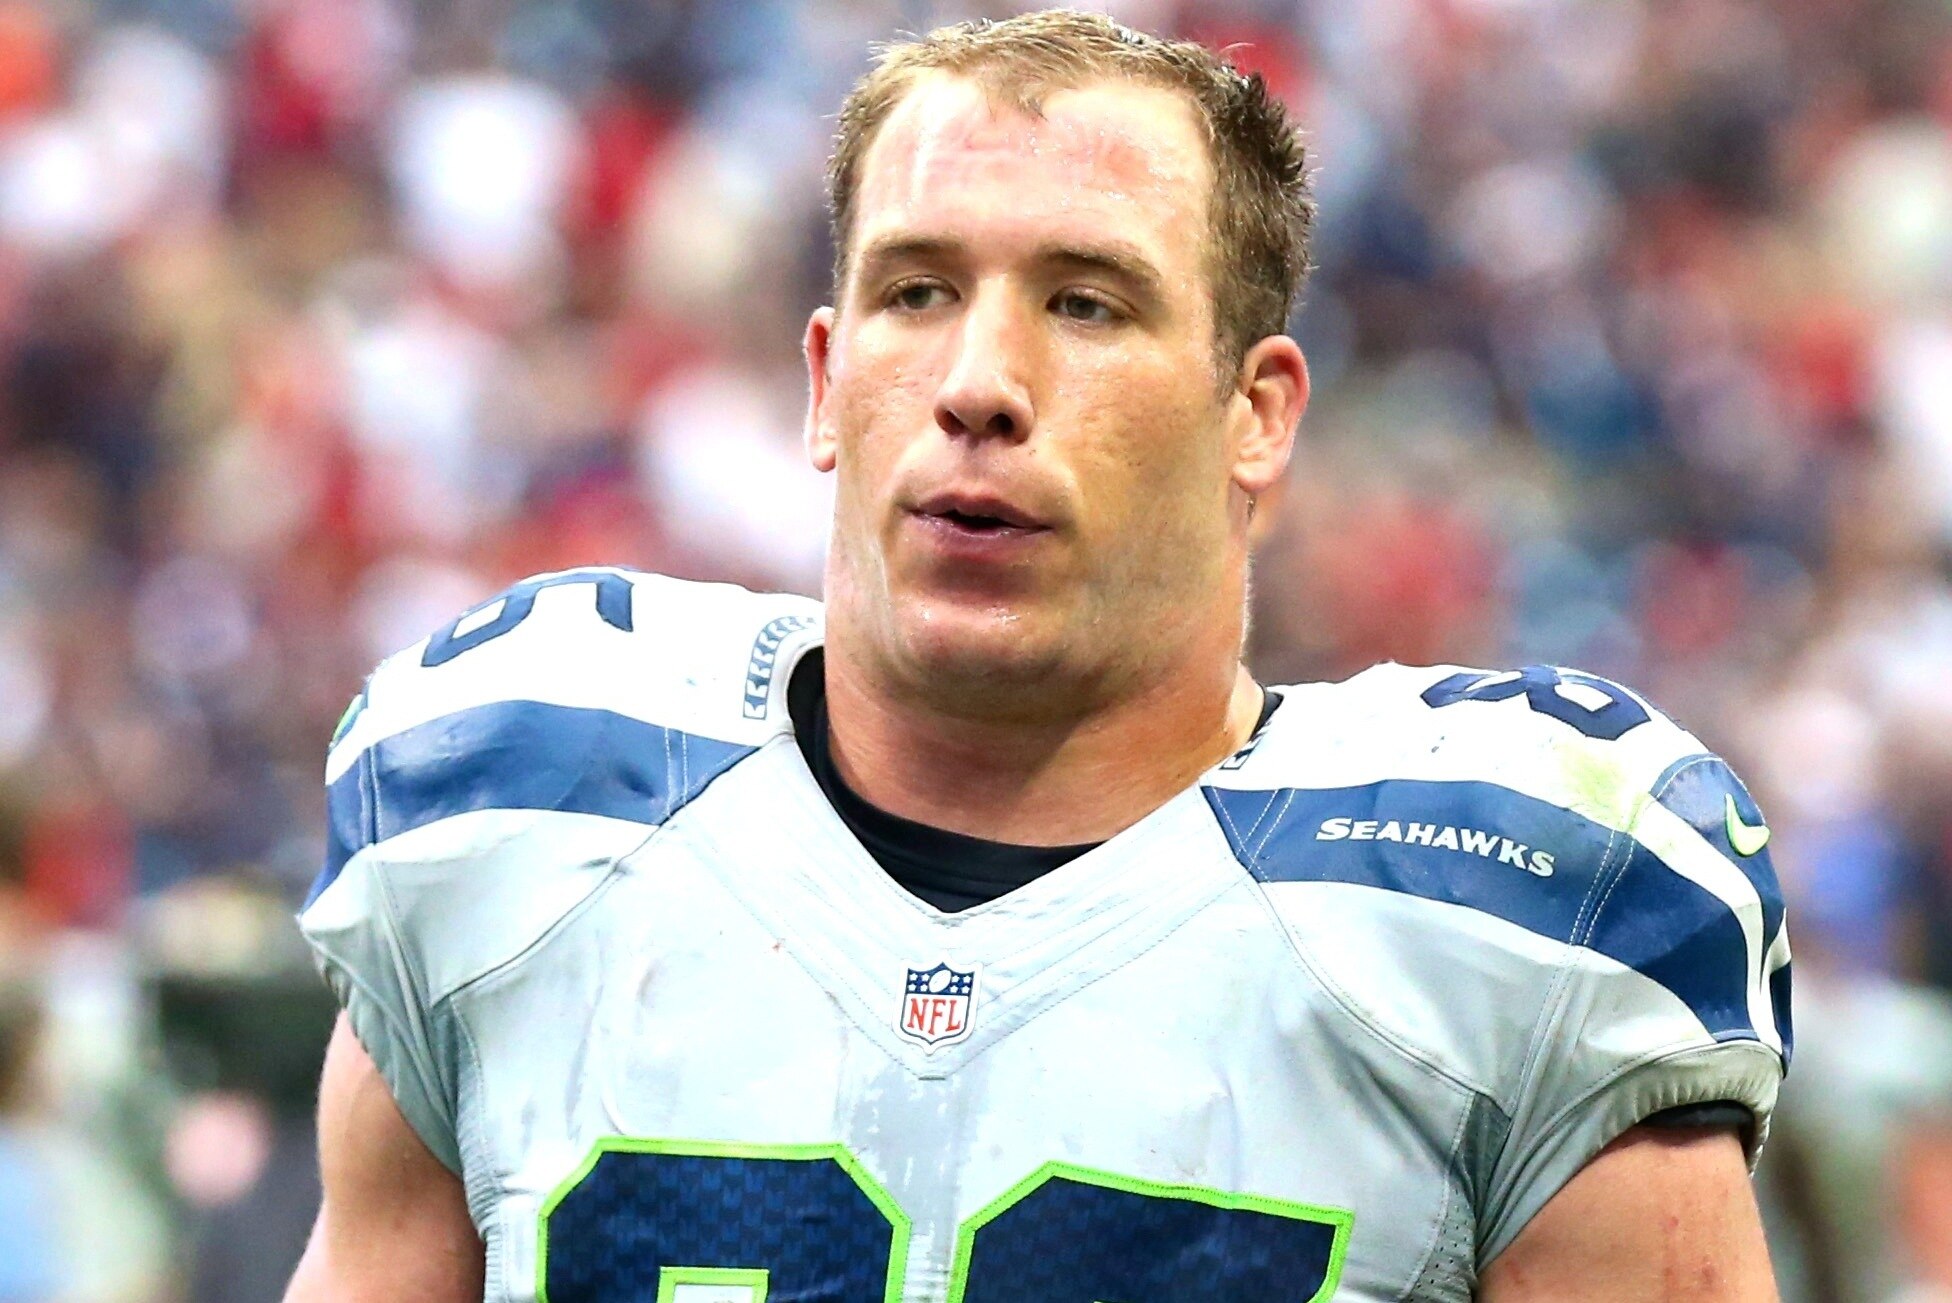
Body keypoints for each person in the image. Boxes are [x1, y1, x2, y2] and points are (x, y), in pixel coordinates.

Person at [285, 12, 1790, 1300]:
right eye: (916, 292)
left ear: (1256, 413)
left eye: (1085, 303)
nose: (979, 385)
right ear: (826, 378)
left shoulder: (1511, 907)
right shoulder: (521, 803)